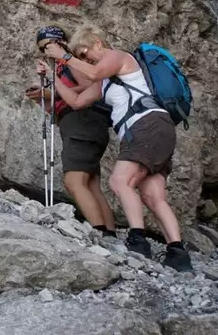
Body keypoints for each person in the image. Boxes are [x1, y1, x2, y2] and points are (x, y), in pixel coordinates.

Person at [42, 24, 193, 272]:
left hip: (146, 124)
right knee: (153, 196)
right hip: (153, 130)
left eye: (86, 52)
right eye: (80, 56)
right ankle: (178, 253)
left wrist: (64, 57)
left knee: (120, 182)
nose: (85, 58)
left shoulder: (119, 56)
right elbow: (77, 101)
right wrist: (53, 78)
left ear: (99, 44)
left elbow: (92, 73)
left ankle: (137, 241)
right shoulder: (105, 83)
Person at [27, 26, 116, 237]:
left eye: (49, 45)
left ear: (61, 43)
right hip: (80, 124)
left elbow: (91, 86)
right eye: (42, 47)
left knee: (74, 181)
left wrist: (52, 92)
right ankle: (110, 234)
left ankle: (99, 232)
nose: (46, 50)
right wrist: (43, 99)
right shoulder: (58, 68)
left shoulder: (72, 62)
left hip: (83, 121)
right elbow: (56, 111)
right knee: (90, 183)